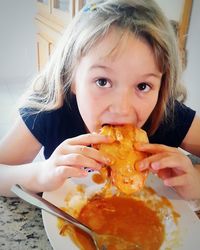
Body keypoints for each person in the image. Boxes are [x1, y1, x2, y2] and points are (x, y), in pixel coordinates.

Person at [0, 0, 200, 200]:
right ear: (72, 78)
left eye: (142, 86)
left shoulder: (164, 114)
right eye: (102, 81)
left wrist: (196, 183)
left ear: (161, 87)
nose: (122, 109)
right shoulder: (50, 111)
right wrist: (41, 174)